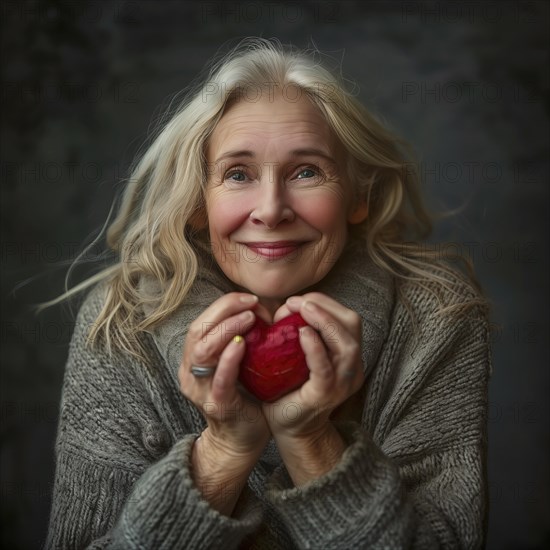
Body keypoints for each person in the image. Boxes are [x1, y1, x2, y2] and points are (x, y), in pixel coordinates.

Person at [45, 37, 491, 549]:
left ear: (357, 197)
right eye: (238, 174)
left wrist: (310, 439)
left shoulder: (436, 316)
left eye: (307, 172)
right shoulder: (121, 324)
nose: (271, 209)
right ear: (198, 202)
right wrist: (224, 449)